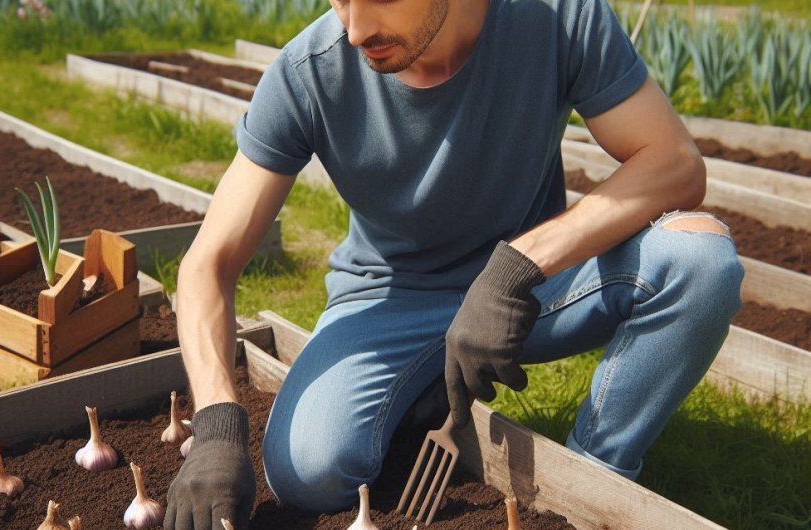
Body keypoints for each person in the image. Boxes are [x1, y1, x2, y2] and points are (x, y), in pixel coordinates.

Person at [165, 0, 745, 528]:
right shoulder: (310, 73)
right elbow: (206, 264)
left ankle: (597, 478)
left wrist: (518, 264)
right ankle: (422, 392)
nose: (356, 28)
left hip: (529, 291)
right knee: (309, 473)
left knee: (698, 259)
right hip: (391, 297)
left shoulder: (558, 17)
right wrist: (218, 422)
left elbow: (674, 162)